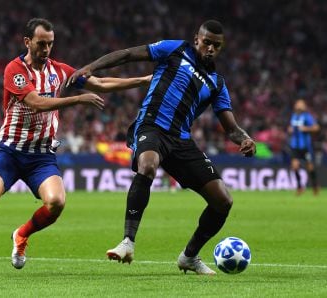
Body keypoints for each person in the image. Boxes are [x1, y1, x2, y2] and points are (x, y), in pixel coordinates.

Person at [0, 18, 151, 279]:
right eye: (41, 43)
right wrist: (77, 99)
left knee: (57, 202)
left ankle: (21, 234)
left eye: (50, 44)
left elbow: (101, 83)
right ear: (27, 42)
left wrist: (143, 80)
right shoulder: (14, 70)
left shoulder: (60, 71)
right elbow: (36, 102)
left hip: (41, 156)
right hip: (10, 151)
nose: (46, 49)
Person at [68, 20, 256, 275]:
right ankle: (127, 242)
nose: (211, 48)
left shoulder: (217, 83)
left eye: (217, 45)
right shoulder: (175, 49)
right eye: (207, 42)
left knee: (223, 200)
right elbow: (127, 55)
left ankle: (189, 256)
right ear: (197, 39)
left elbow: (231, 128)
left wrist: (245, 139)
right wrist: (91, 67)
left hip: (180, 140)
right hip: (151, 126)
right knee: (147, 165)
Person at [287, 99, 320, 195]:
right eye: (297, 103)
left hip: (305, 146)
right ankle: (299, 187)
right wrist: (290, 129)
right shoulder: (293, 116)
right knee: (295, 166)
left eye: (300, 104)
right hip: (295, 146)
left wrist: (306, 128)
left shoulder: (307, 116)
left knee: (310, 167)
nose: (298, 105)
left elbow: (316, 127)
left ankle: (314, 185)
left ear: (304, 106)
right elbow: (291, 127)